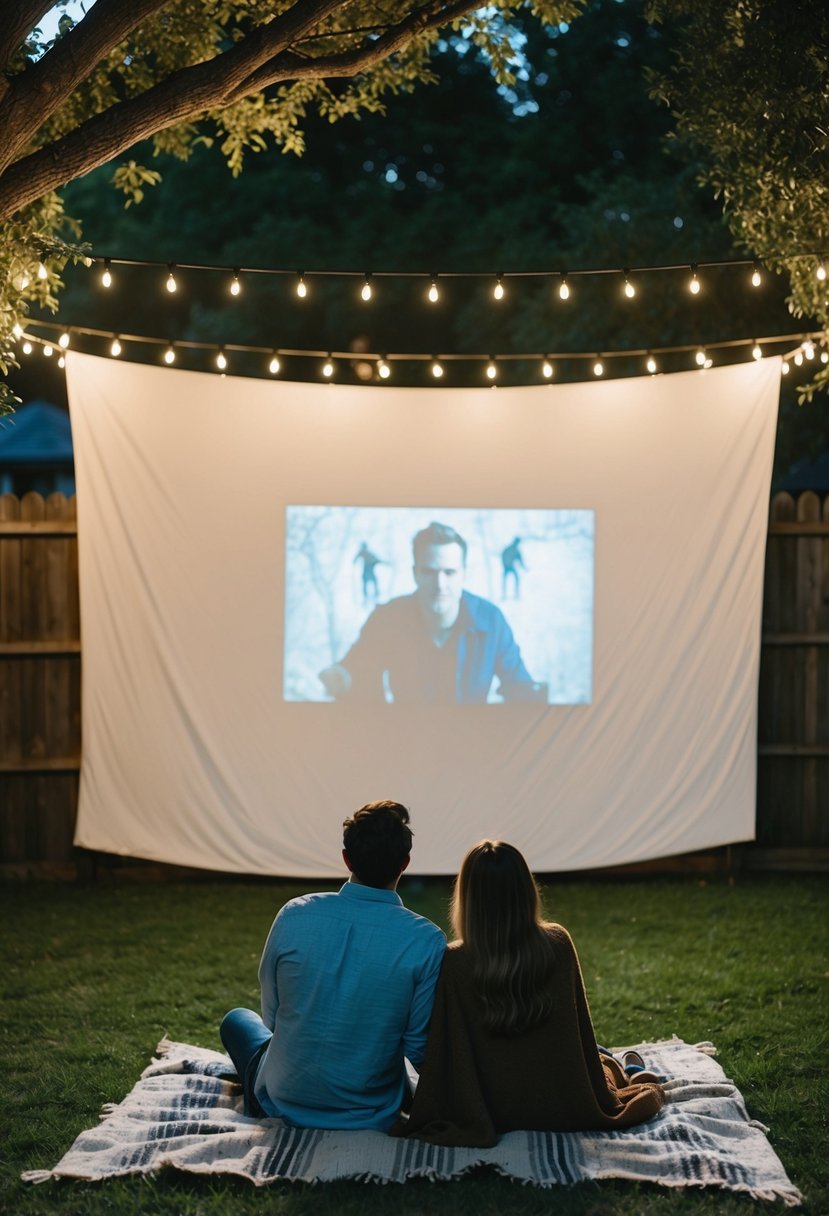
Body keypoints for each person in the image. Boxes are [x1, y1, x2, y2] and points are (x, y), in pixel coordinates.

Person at [392, 840, 665, 1146]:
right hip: (559, 1100)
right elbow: (577, 1042)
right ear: (526, 890)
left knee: (602, 1058)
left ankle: (624, 1065)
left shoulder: (454, 961)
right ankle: (633, 1069)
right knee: (603, 1063)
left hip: (491, 1108)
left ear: (467, 897)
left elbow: (451, 1049)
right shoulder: (558, 943)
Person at [220, 800, 445, 1129]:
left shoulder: (294, 913)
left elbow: (272, 1018)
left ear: (346, 858)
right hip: (371, 1112)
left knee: (237, 1019)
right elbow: (417, 1048)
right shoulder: (426, 941)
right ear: (405, 864)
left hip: (280, 1100)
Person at [319, 521, 545, 703]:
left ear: (463, 574)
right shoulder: (387, 619)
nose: (440, 584)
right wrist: (341, 678)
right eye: (429, 572)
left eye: (449, 572)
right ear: (414, 573)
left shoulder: (491, 620)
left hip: (472, 750)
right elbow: (355, 667)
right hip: (405, 749)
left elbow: (520, 688)